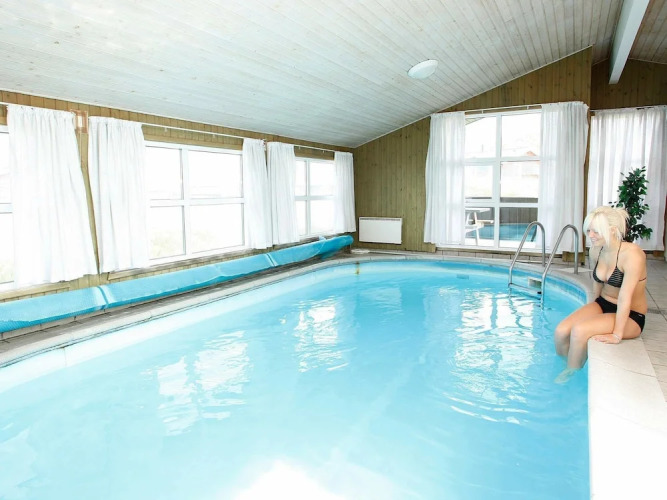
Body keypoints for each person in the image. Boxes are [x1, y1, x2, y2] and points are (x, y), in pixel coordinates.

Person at [554, 206, 647, 380]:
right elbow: (597, 285)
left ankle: (570, 376)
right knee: (561, 331)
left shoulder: (633, 255)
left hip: (631, 315)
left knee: (579, 331)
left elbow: (625, 297)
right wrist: (591, 311)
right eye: (588, 230)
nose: (590, 235)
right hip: (603, 303)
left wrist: (617, 334)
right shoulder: (596, 250)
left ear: (612, 230)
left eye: (596, 231)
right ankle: (568, 365)